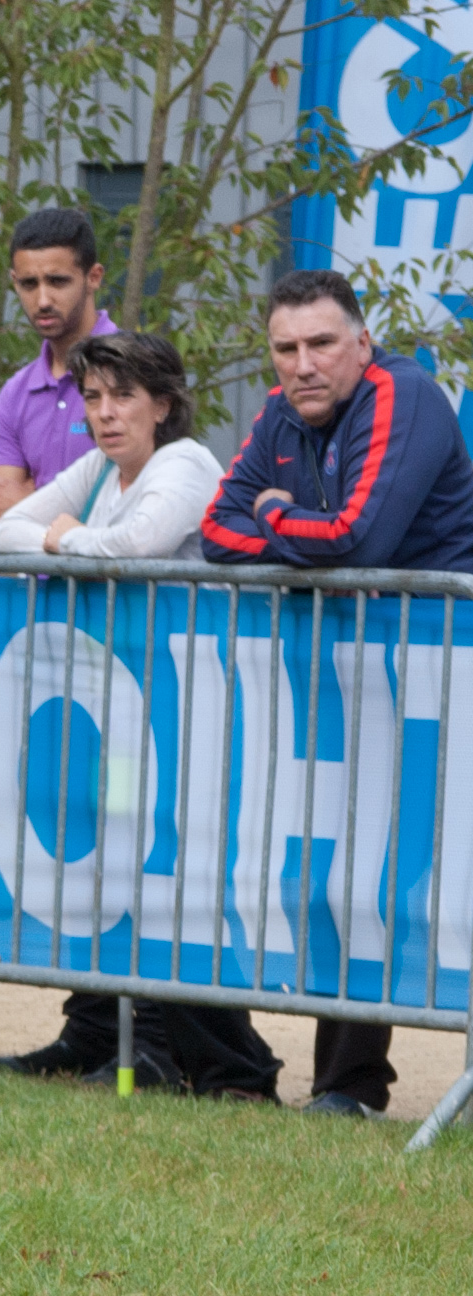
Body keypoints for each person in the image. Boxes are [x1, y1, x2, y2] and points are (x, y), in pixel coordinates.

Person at [201, 268, 473, 1116]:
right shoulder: (280, 411)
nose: (303, 363)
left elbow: (359, 539)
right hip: (357, 674)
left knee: (443, 873)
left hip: (447, 668)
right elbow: (214, 529)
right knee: (350, 868)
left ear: (363, 342)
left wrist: (272, 515)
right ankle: (349, 1086)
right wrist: (292, 528)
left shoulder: (403, 393)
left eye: (321, 343)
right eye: (285, 348)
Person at [0, 334, 276, 1098]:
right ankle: (101, 1035)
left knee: (168, 873)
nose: (105, 413)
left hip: (186, 713)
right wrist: (64, 538)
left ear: (164, 404)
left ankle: (228, 1066)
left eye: (123, 397)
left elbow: (130, 548)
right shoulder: (99, 470)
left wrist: (62, 538)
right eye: (93, 398)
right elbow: (4, 530)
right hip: (119, 715)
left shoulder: (185, 464)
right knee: (112, 856)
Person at [0, 208, 116, 545]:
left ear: (94, 277)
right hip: (33, 579)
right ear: (14, 282)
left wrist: (27, 503)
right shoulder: (15, 393)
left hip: (113, 577)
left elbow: (139, 516)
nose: (43, 300)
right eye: (29, 284)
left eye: (57, 281)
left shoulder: (138, 373)